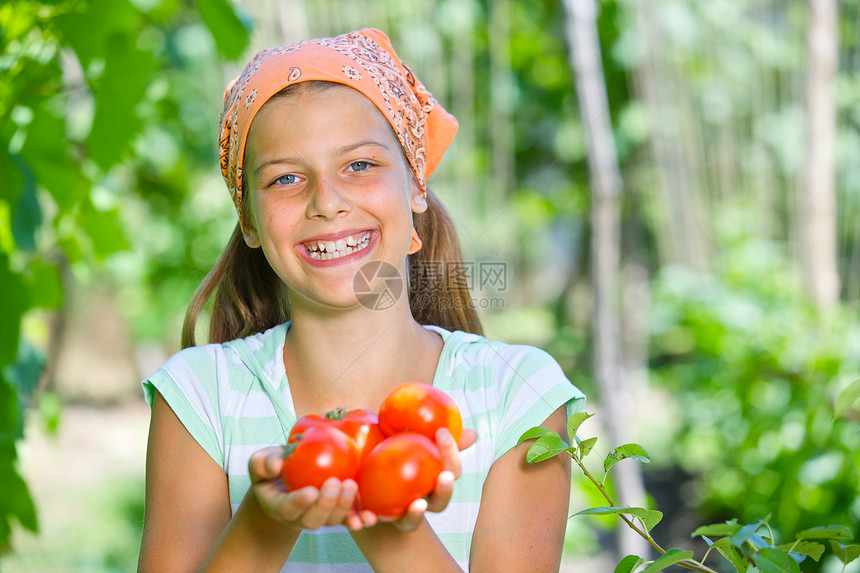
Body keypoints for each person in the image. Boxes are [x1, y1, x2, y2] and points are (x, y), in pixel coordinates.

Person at [138, 28, 585, 572]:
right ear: (249, 220)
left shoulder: (519, 395)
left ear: (415, 185)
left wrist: (384, 514)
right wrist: (264, 518)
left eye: (360, 165)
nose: (327, 202)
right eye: (285, 179)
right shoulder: (199, 396)